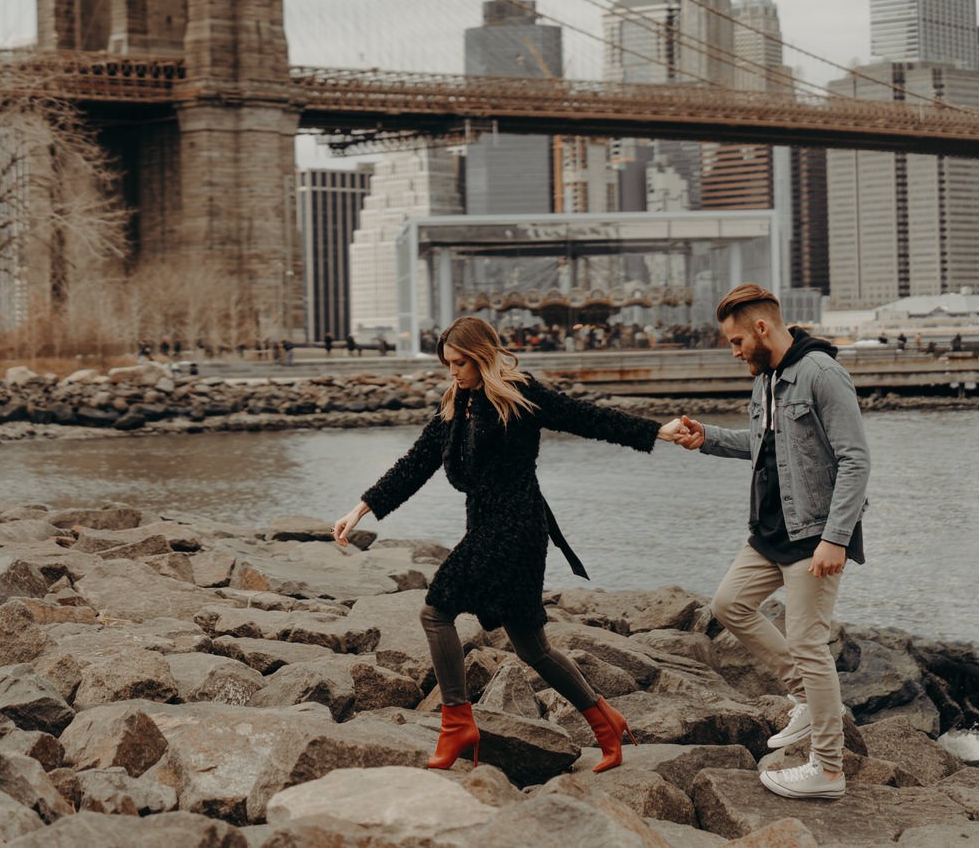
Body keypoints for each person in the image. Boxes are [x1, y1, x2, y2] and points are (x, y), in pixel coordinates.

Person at [333, 316, 685, 773]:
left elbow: (587, 417)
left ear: (483, 357)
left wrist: (657, 430)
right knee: (532, 647)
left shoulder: (520, 396)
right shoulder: (455, 405)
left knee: (435, 609)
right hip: (487, 523)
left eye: (461, 363)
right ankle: (606, 722)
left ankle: (456, 722)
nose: (454, 372)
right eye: (449, 364)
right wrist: (360, 509)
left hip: (516, 525)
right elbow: (415, 463)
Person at [669, 284, 869, 801]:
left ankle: (828, 769)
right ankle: (806, 700)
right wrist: (706, 437)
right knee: (729, 604)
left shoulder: (822, 374)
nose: (734, 352)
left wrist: (836, 538)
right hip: (769, 532)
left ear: (762, 328)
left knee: (808, 644)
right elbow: (761, 446)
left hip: (814, 536)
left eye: (736, 341)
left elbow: (855, 460)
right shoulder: (767, 378)